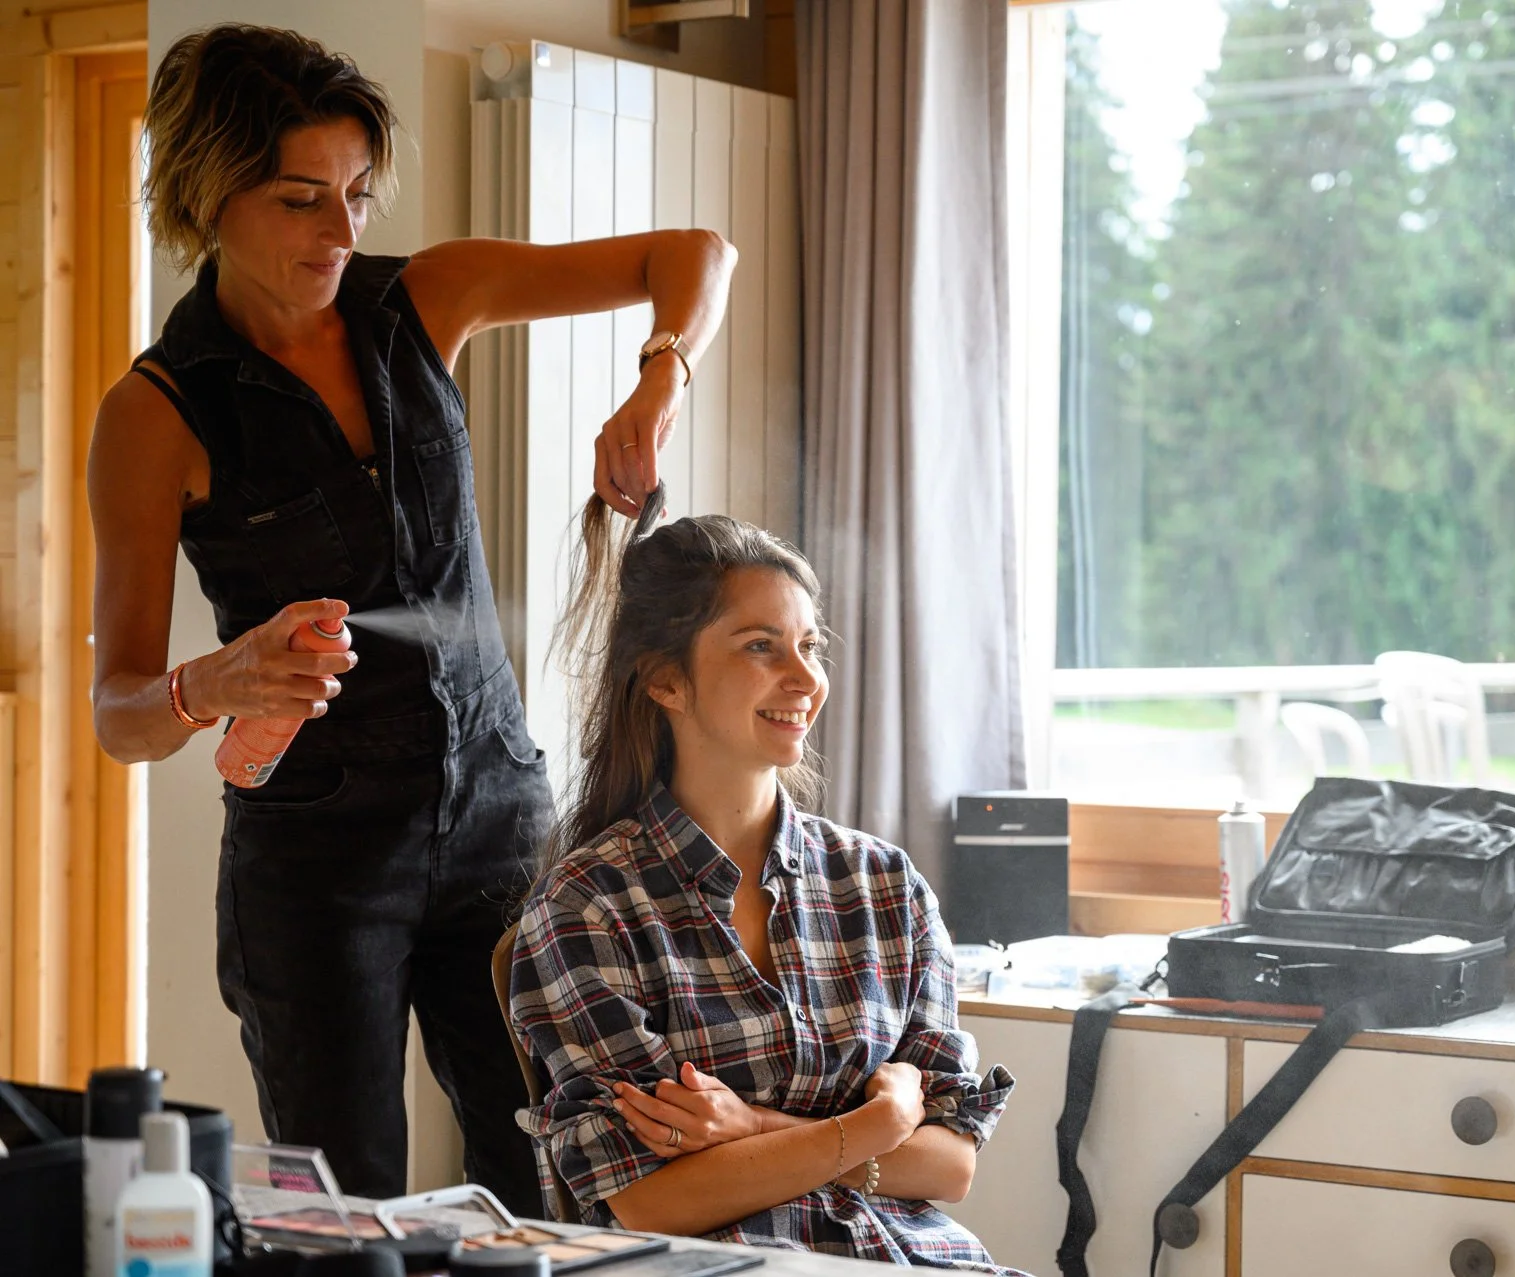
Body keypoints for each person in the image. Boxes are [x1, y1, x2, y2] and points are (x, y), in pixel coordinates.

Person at [86, 24, 735, 1216]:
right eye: (300, 201)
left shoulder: (426, 298)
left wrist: (661, 378)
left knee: (554, 1172)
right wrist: (211, 684)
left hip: (500, 818)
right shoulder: (154, 413)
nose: (342, 232)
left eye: (355, 195)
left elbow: (697, 252)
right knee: (343, 1210)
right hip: (316, 868)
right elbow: (119, 715)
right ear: (204, 194)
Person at [509, 494, 1020, 1270]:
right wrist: (877, 1129)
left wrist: (748, 1129)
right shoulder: (589, 904)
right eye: (760, 646)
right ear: (664, 681)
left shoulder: (885, 887)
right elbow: (649, 1196)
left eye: (809, 645)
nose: (804, 678)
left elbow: (950, 1165)